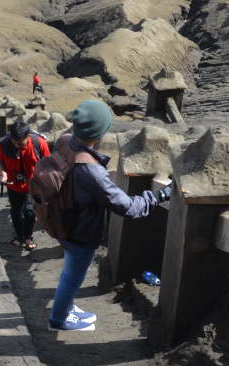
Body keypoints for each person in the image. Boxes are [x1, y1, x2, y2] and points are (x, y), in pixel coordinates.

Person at [48, 100, 171, 332]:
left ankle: (66, 308)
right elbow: (128, 207)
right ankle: (59, 319)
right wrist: (160, 195)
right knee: (72, 276)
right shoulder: (91, 170)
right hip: (81, 231)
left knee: (69, 270)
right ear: (100, 132)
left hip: (62, 220)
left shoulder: (65, 142)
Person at [0, 121, 50, 251]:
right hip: (13, 184)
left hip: (33, 184)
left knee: (30, 212)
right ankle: (19, 237)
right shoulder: (4, 144)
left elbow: (48, 164)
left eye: (22, 142)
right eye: (15, 142)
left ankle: (28, 237)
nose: (18, 145)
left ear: (28, 137)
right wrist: (2, 172)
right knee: (15, 210)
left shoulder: (39, 144)